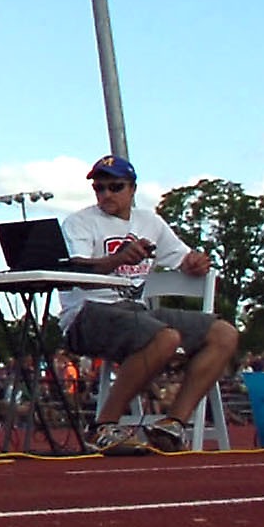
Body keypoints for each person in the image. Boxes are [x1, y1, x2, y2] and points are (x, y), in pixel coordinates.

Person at [57, 154, 239, 455]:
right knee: (164, 337)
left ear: (132, 189)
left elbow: (183, 257)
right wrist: (118, 259)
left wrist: (195, 262)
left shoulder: (150, 222)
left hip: (136, 312)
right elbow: (77, 273)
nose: (105, 195)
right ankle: (103, 425)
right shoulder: (79, 222)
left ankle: (173, 423)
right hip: (87, 314)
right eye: (99, 188)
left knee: (224, 334)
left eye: (114, 187)